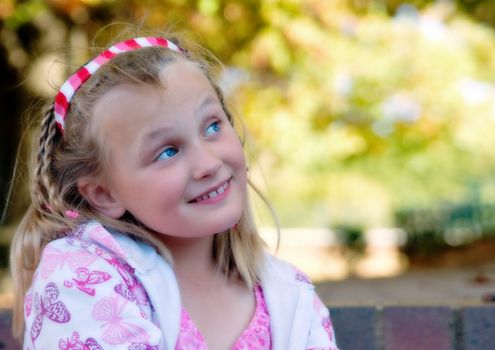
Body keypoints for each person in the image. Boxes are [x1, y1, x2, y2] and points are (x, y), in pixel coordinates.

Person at [10, 32, 340, 350]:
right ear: (103, 194)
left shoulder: (290, 296)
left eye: (212, 126)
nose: (207, 163)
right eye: (168, 151)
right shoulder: (81, 278)